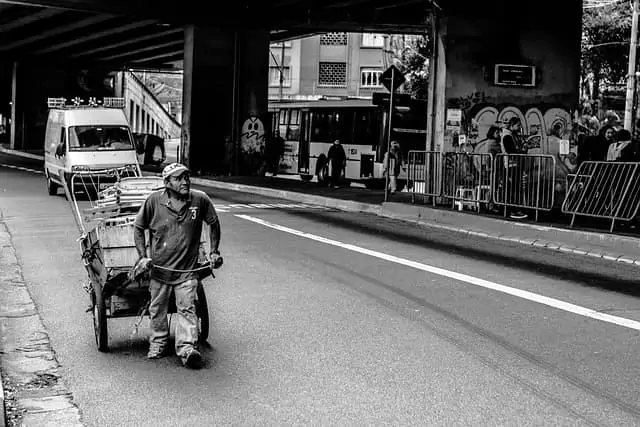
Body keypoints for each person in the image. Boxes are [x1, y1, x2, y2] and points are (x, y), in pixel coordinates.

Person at [133, 162, 222, 369]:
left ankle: (187, 349)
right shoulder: (154, 201)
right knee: (157, 310)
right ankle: (158, 343)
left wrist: (214, 251)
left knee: (187, 308)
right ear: (167, 183)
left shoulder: (199, 200)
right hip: (160, 270)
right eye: (179, 178)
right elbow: (138, 227)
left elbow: (214, 223)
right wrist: (142, 257)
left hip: (186, 271)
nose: (185, 182)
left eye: (186, 177)